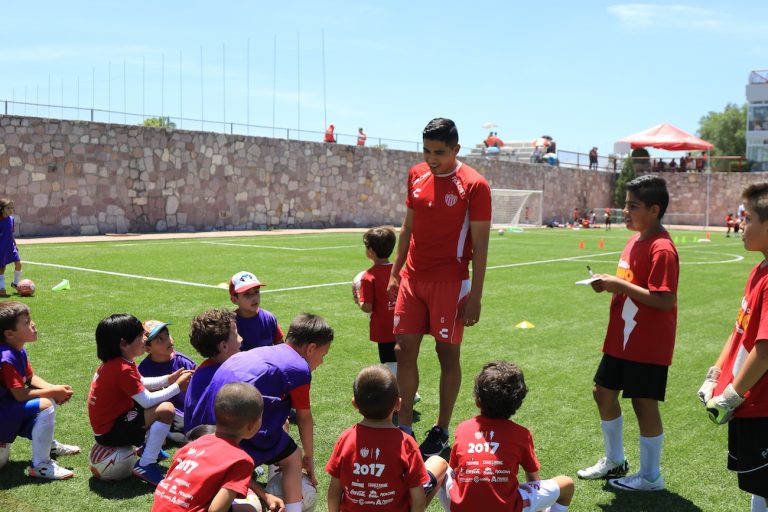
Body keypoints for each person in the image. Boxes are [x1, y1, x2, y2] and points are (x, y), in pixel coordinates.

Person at [387, 118, 492, 458]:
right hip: (413, 279)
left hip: (451, 282)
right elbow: (408, 227)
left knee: (447, 355)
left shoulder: (474, 185)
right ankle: (404, 425)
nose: (432, 159)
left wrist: (476, 295)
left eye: (440, 153)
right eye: (427, 151)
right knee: (403, 350)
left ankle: (441, 429)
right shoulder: (416, 175)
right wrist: (395, 272)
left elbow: (481, 245)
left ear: (456, 149)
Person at [577, 175, 678, 492]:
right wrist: (609, 284)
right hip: (621, 339)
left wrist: (619, 284)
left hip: (647, 342)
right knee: (602, 392)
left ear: (654, 210)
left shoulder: (662, 248)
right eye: (625, 204)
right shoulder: (634, 240)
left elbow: (664, 300)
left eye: (633, 206)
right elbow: (631, 285)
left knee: (644, 404)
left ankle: (651, 477)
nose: (625, 211)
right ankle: (615, 460)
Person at [188, 313, 334, 512]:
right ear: (311, 349)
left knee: (280, 424)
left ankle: (262, 485)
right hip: (235, 425)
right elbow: (304, 417)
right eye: (323, 355)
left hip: (209, 425)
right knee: (293, 456)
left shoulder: (262, 352)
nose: (322, 362)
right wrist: (308, 458)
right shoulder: (299, 368)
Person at [698, 183, 768, 512]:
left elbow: (765, 349)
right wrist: (715, 374)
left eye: (748, 218)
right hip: (749, 402)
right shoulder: (758, 271)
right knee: (759, 485)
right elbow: (739, 330)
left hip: (762, 405)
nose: (740, 225)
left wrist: (732, 395)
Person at [440, 361, 574, 511]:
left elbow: (454, 470)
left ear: (478, 401)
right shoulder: (522, 434)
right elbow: (533, 479)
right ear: (517, 404)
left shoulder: (463, 428)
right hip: (507, 508)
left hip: (459, 507)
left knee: (439, 465)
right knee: (567, 484)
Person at [88, 313, 193, 485]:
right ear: (123, 343)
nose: (144, 339)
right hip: (111, 432)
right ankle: (146, 464)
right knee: (166, 409)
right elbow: (147, 400)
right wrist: (176, 387)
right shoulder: (122, 368)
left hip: (112, 423)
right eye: (140, 336)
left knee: (155, 405)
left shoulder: (119, 362)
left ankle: (148, 448)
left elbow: (141, 382)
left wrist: (168, 379)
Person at [326, 365, 447, 512]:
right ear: (398, 404)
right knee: (439, 463)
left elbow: (333, 494)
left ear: (354, 404)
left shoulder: (345, 439)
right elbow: (418, 500)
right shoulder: (406, 443)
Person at [153, 382, 276, 512]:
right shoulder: (241, 460)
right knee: (251, 509)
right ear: (252, 426)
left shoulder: (193, 445)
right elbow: (216, 510)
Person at [0, 301, 80, 480]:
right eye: (27, 322)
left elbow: (30, 378)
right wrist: (53, 392)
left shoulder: (18, 350)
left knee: (47, 399)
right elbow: (19, 395)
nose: (33, 324)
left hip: (6, 408)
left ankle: (48, 445)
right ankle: (41, 465)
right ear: (9, 334)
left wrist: (54, 389)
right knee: (45, 403)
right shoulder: (6, 357)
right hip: (4, 411)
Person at [138, 320, 197, 443]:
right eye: (159, 339)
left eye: (167, 335)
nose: (168, 340)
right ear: (148, 348)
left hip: (186, 409)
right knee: (183, 428)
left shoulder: (184, 362)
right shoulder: (143, 369)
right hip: (165, 411)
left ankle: (165, 434)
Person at [184, 308, 242, 432]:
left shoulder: (201, 372)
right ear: (224, 346)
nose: (241, 339)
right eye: (237, 334)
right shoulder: (227, 378)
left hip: (195, 439)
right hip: (214, 440)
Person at [230, 271, 284, 351]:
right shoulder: (230, 324)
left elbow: (281, 347)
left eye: (256, 292)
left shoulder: (269, 318)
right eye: (247, 294)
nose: (254, 298)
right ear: (234, 300)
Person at [0, 198, 22, 298]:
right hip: (1, 247)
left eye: (12, 208)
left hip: (10, 246)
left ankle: (15, 284)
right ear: (2, 209)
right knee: (2, 268)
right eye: (8, 208)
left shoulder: (11, 219)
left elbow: (11, 234)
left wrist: (15, 244)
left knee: (19, 264)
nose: (11, 210)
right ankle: (2, 288)